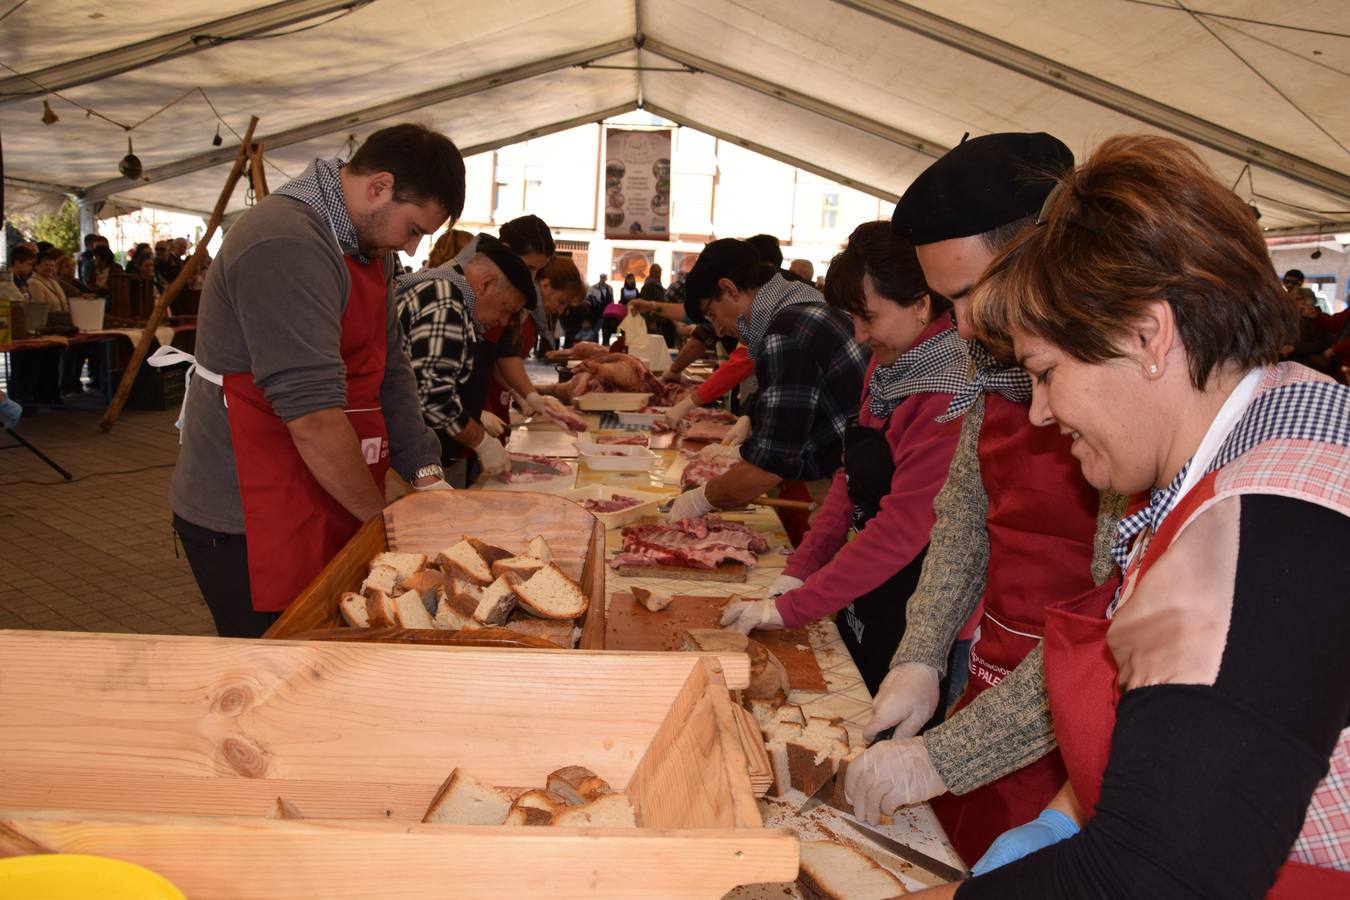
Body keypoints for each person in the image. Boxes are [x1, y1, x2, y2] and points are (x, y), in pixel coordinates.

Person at [918, 134, 1350, 900]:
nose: (1043, 414)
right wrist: (1065, 813)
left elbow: (1162, 874)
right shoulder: (1258, 423)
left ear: (1148, 337)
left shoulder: (1270, 521)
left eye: (1048, 373)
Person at [845, 133, 1123, 864]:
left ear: (1045, 251)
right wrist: (922, 654)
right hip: (995, 674)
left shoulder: (1118, 395)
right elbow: (965, 521)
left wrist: (946, 758)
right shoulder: (991, 362)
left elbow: (1109, 626)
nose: (962, 324)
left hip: (1079, 712)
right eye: (946, 302)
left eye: (970, 294)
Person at [168, 123, 463, 639]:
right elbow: (313, 418)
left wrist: (426, 473)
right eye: (414, 229)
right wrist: (383, 527)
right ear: (379, 187)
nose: (414, 250)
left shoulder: (366, 245)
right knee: (277, 675)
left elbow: (391, 370)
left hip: (321, 489)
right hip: (248, 514)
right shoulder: (286, 241)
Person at [720, 222, 970, 699]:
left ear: (920, 304)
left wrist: (793, 608)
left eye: (868, 317)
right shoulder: (891, 361)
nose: (858, 333)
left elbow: (902, 530)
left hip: (926, 609)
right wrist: (801, 568)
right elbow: (849, 478)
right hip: (871, 584)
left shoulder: (947, 395)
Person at [670, 238, 868, 544]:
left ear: (729, 289)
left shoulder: (786, 334)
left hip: (857, 501)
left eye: (712, 314)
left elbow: (769, 467)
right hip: (854, 487)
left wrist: (699, 500)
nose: (719, 330)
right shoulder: (805, 309)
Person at [396, 238, 536, 480]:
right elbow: (432, 397)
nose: (504, 321)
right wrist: (482, 442)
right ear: (485, 283)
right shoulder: (445, 301)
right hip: (409, 464)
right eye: (506, 308)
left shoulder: (453, 299)